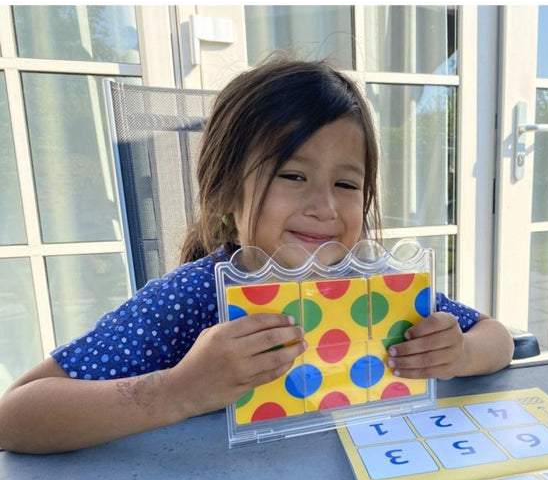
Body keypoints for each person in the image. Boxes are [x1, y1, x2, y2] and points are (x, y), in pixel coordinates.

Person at [0, 56, 514, 454]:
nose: (325, 207)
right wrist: (182, 391)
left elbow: (496, 337)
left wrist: (458, 354)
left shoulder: (376, 289)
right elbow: (17, 414)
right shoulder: (194, 299)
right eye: (292, 176)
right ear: (226, 195)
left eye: (347, 183)